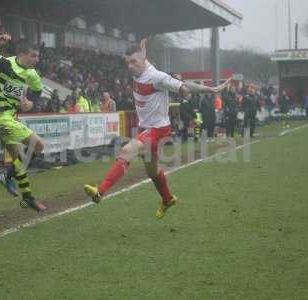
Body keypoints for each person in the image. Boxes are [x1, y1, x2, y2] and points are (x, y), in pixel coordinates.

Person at [84, 39, 230, 218]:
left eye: (133, 62)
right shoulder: (139, 68)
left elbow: (183, 85)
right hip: (147, 129)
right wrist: (142, 48)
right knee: (152, 172)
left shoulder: (157, 77)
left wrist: (211, 89)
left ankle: (100, 192)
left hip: (158, 130)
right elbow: (141, 57)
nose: (129, 66)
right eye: (127, 62)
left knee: (126, 151)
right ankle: (167, 198)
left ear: (143, 59)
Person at [0, 33, 46, 213]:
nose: (37, 59)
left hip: (10, 117)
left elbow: (38, 93)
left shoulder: (32, 75)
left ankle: (27, 197)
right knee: (38, 145)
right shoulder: (6, 64)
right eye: (33, 55)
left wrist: (31, 103)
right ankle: (8, 175)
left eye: (38, 56)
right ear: (22, 54)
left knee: (20, 160)